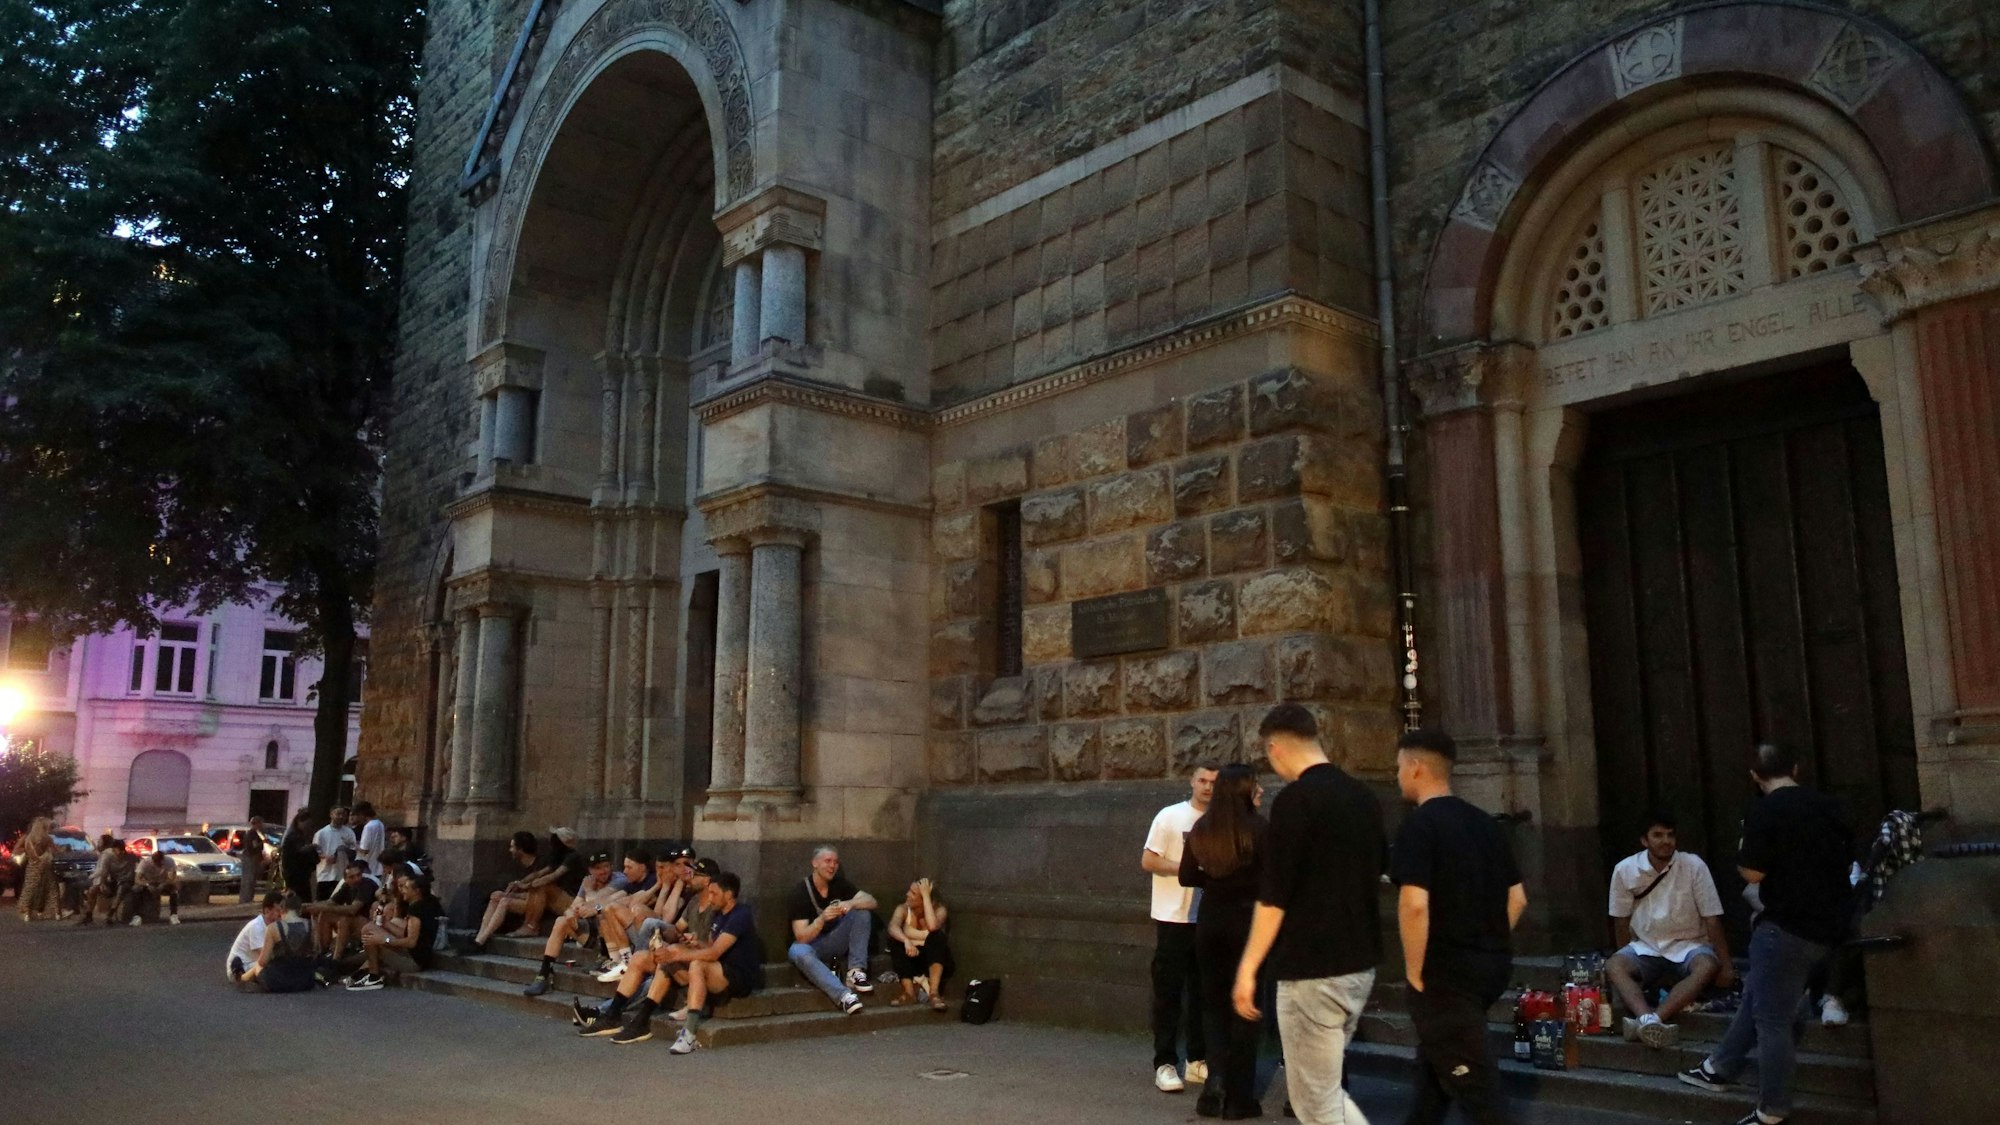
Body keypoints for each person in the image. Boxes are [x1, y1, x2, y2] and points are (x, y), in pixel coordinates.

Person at [1680, 743, 1854, 1125]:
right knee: (1759, 994)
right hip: (1830, 928)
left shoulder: (1764, 811)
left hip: (1786, 925)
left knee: (1773, 1021)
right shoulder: (1827, 805)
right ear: (1796, 767)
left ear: (1755, 777)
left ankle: (1772, 1109)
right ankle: (1719, 1066)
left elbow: (1753, 873)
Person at [1232, 704, 1385, 1125]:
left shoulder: (1295, 802)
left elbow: (1274, 896)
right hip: (1359, 963)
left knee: (1316, 1105)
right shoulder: (1365, 798)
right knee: (1325, 1095)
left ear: (1275, 748)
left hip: (1310, 969)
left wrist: (1248, 968)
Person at [1390, 728, 1527, 1125]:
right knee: (1435, 1073)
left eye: (1399, 766)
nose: (1397, 775)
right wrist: (1491, 940)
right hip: (1489, 966)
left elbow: (1414, 905)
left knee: (1477, 1091)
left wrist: (1415, 972)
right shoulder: (1485, 823)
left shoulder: (1419, 827)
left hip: (1444, 973)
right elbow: (1517, 898)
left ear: (1416, 768)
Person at [583, 871, 763, 1051]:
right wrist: (694, 943)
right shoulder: (719, 914)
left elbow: (714, 953)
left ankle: (690, 1033)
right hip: (715, 970)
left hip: (736, 977)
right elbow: (709, 946)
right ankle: (622, 1016)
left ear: (729, 895)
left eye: (714, 893)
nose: (710, 897)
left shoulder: (741, 914)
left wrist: (677, 955)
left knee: (687, 959)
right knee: (641, 957)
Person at [1181, 764, 1268, 1119]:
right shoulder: (1261, 829)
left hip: (1211, 922)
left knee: (1213, 1005)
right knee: (1247, 1008)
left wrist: (1215, 880)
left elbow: (1187, 875)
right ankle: (1239, 1097)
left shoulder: (1203, 827)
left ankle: (1214, 1084)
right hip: (1249, 924)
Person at [1606, 810, 1733, 1048]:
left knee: (1707, 965)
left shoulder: (1693, 865)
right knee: (1614, 964)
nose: (1666, 841)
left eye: (1670, 835)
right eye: (1658, 835)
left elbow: (1712, 918)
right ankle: (1644, 1016)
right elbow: (1620, 920)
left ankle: (1654, 1020)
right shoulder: (1625, 869)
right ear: (1644, 840)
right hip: (1646, 946)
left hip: (1690, 945)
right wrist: (1624, 953)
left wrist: (1726, 965)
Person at [1143, 762, 1218, 1093]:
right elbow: (1148, 860)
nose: (1207, 787)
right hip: (1173, 918)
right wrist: (1186, 867)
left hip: (1208, 918)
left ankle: (1197, 1059)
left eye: (1214, 782)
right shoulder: (1169, 816)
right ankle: (1165, 1062)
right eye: (1202, 780)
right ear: (1192, 781)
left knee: (1203, 991)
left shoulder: (1221, 821)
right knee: (1169, 993)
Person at [523, 852, 633, 996]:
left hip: (615, 935)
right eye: (598, 868)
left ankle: (605, 957)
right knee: (561, 921)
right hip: (591, 930)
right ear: (590, 871)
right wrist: (571, 915)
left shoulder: (619, 879)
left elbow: (597, 901)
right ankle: (544, 973)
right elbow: (574, 907)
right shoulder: (588, 881)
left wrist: (588, 891)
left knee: (601, 912)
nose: (603, 871)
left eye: (606, 866)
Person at [785, 845, 878, 1014]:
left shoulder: (839, 884)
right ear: (814, 863)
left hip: (834, 941)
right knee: (797, 951)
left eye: (835, 862)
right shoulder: (800, 892)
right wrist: (821, 919)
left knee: (862, 912)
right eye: (827, 861)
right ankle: (844, 996)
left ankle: (855, 971)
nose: (832, 866)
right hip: (811, 945)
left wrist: (850, 903)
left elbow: (872, 901)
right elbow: (801, 937)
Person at [347, 873, 445, 991]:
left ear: (416, 891)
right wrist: (386, 923)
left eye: (406, 888)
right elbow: (407, 934)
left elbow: (411, 942)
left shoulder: (417, 911)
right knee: (370, 930)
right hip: (413, 954)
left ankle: (374, 977)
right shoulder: (421, 905)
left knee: (371, 938)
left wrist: (384, 940)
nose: (402, 890)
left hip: (414, 961)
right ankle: (364, 970)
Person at [466, 829, 543, 952]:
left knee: (504, 902)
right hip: (521, 898)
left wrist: (512, 895)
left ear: (521, 849)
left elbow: (537, 896)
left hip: (535, 904)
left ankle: (481, 940)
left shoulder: (539, 867)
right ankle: (480, 934)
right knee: (495, 897)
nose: (510, 850)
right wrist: (505, 893)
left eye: (512, 847)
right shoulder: (518, 865)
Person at [887, 878, 953, 1013]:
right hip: (911, 958)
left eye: (913, 893)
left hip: (933, 961)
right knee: (895, 940)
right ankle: (909, 992)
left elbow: (933, 927)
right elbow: (892, 926)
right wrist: (906, 941)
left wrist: (926, 897)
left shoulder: (940, 911)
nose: (907, 895)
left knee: (937, 936)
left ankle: (934, 993)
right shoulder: (903, 909)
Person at [303, 860, 379, 956]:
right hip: (355, 920)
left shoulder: (366, 885)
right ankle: (322, 952)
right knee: (325, 915)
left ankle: (336, 959)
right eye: (352, 877)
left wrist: (321, 907)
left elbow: (353, 910)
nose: (356, 879)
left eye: (358, 875)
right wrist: (310, 906)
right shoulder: (346, 886)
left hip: (369, 923)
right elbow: (330, 902)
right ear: (346, 879)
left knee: (344, 919)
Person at [249, 893, 318, 992]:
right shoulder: (311, 925)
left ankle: (241, 978)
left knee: (257, 966)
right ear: (300, 910)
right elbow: (315, 951)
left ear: (282, 909)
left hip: (278, 980)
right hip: (304, 980)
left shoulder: (273, 928)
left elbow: (262, 961)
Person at [79, 835, 135, 925]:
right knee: (92, 890)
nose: (120, 853)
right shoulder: (107, 855)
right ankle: (88, 915)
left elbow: (132, 872)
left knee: (121, 889)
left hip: (124, 881)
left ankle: (110, 914)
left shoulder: (130, 857)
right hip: (112, 880)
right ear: (113, 849)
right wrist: (102, 883)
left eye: (122, 850)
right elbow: (103, 871)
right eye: (118, 850)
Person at [227, 893, 282, 982]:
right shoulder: (256, 926)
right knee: (272, 966)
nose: (281, 914)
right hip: (242, 965)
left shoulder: (276, 926)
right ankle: (240, 977)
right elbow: (265, 956)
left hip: (255, 963)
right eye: (278, 910)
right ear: (267, 911)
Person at [16, 816, 58, 922]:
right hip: (46, 865)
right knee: (51, 887)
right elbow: (55, 851)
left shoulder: (29, 838)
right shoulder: (48, 839)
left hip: (34, 865)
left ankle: (25, 912)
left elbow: (25, 851)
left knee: (30, 888)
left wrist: (31, 855)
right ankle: (55, 912)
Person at [312, 806, 357, 901]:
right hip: (325, 874)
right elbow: (315, 851)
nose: (341, 817)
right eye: (338, 814)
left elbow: (354, 850)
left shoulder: (349, 832)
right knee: (322, 901)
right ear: (331, 815)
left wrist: (345, 850)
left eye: (343, 815)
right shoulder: (321, 833)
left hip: (342, 873)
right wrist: (325, 857)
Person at [130, 847, 183, 925]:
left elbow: (172, 878)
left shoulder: (169, 861)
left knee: (174, 889)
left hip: (164, 882)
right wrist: (148, 885)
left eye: (160, 862)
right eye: (156, 862)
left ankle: (173, 915)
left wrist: (163, 884)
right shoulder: (145, 862)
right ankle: (137, 916)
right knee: (136, 889)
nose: (158, 864)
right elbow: (137, 879)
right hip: (148, 882)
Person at [279, 810, 317, 902]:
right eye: (307, 825)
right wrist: (312, 847)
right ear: (299, 822)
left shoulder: (301, 835)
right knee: (298, 898)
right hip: (294, 874)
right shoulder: (293, 836)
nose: (308, 827)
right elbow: (299, 851)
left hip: (303, 874)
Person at [352, 802, 386, 880]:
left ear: (362, 814)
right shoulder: (380, 824)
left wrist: (352, 845)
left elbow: (364, 850)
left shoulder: (368, 827)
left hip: (369, 867)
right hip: (378, 867)